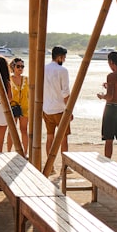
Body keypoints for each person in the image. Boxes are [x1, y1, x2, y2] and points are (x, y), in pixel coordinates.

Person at [43, 45, 70, 173]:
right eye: (64, 57)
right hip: (59, 109)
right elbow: (65, 93)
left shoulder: (43, 69)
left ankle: (50, 166)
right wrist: (69, 111)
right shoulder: (62, 70)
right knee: (63, 138)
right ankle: (64, 167)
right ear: (59, 57)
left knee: (50, 138)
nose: (64, 59)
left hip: (46, 108)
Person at [5, 57, 29, 153]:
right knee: (11, 131)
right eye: (18, 66)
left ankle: (25, 152)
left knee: (24, 130)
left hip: (25, 108)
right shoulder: (9, 80)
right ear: (13, 67)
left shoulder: (27, 79)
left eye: (22, 66)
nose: (20, 68)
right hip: (12, 108)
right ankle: (9, 151)